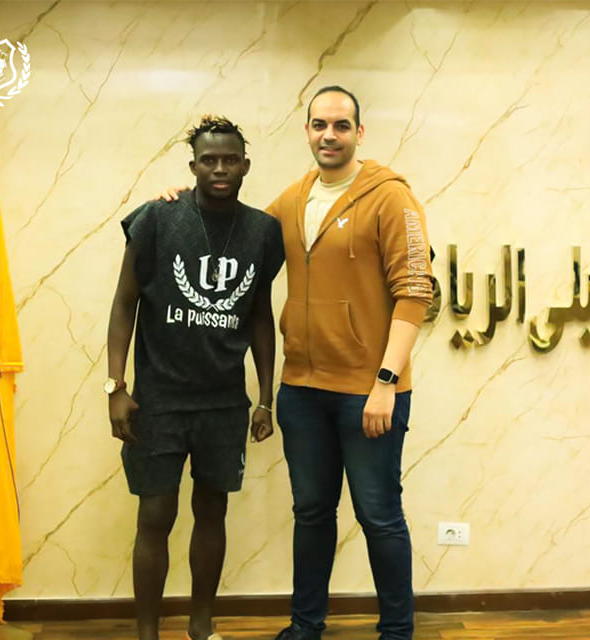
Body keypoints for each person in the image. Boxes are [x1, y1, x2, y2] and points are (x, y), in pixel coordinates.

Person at [107, 115, 284, 640]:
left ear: (246, 165)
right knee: (154, 516)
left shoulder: (263, 231)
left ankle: (201, 625)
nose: (220, 168)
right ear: (193, 167)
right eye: (209, 160)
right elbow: (123, 304)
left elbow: (260, 316)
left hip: (223, 404)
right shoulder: (157, 218)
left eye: (230, 159)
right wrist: (116, 387)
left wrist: (265, 398)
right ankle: (147, 632)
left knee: (212, 513)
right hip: (158, 401)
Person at [269, 86, 433, 640]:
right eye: (319, 125)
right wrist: (181, 199)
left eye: (341, 126)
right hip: (301, 390)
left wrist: (386, 381)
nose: (329, 135)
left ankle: (397, 632)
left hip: (369, 392)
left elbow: (415, 291)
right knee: (312, 514)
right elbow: (239, 234)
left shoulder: (391, 197)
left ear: (359, 133)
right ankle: (305, 626)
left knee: (378, 515)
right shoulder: (294, 199)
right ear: (307, 131)